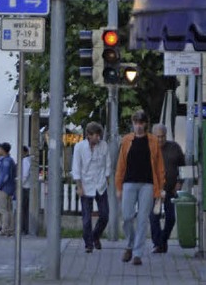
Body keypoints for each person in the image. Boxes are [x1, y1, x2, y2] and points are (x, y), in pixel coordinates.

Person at [115, 110, 164, 266]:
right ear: (133, 124)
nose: (138, 126)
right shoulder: (126, 140)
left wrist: (159, 188)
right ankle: (129, 244)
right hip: (129, 182)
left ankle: (137, 253)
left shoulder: (153, 141)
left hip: (148, 184)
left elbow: (159, 166)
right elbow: (121, 165)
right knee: (127, 216)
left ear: (146, 124)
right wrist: (118, 186)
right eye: (136, 123)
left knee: (143, 219)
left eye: (141, 123)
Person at [71, 121, 111, 253]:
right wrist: (79, 186)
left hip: (100, 184)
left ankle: (95, 236)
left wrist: (107, 178)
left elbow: (108, 163)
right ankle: (88, 243)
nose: (98, 138)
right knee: (86, 219)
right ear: (88, 135)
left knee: (105, 215)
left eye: (99, 135)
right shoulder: (79, 147)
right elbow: (76, 167)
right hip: (86, 184)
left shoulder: (104, 145)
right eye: (95, 135)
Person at [149, 123, 185, 253]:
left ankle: (162, 241)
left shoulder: (174, 148)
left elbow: (183, 167)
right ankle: (158, 244)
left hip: (170, 189)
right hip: (154, 190)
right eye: (157, 137)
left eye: (162, 136)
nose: (160, 140)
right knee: (154, 217)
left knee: (171, 218)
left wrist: (180, 182)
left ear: (166, 135)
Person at [21, 146, 31, 235]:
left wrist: (19, 184)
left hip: (25, 187)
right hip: (28, 187)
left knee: (24, 210)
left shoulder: (25, 161)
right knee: (26, 209)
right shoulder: (30, 160)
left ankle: (25, 228)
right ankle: (26, 228)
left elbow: (24, 174)